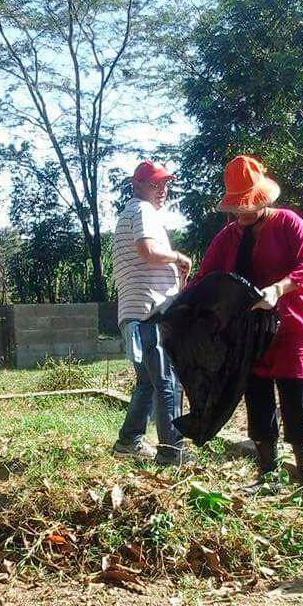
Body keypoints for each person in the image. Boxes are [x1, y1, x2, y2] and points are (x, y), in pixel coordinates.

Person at [191, 155, 303, 502]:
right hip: (250, 334)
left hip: (290, 326)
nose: (243, 213)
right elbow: (205, 277)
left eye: (248, 205)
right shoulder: (227, 238)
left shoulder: (289, 224)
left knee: (297, 406)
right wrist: (181, 303)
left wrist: (277, 289)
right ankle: (269, 476)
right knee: (259, 402)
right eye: (237, 207)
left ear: (264, 198)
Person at [111, 160, 193, 466]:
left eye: (165, 185)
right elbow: (147, 251)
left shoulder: (128, 214)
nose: (163, 191)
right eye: (155, 185)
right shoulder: (142, 211)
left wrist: (177, 278)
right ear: (139, 186)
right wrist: (177, 257)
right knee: (167, 380)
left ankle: (128, 440)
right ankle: (173, 453)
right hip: (149, 313)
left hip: (136, 314)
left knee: (147, 381)